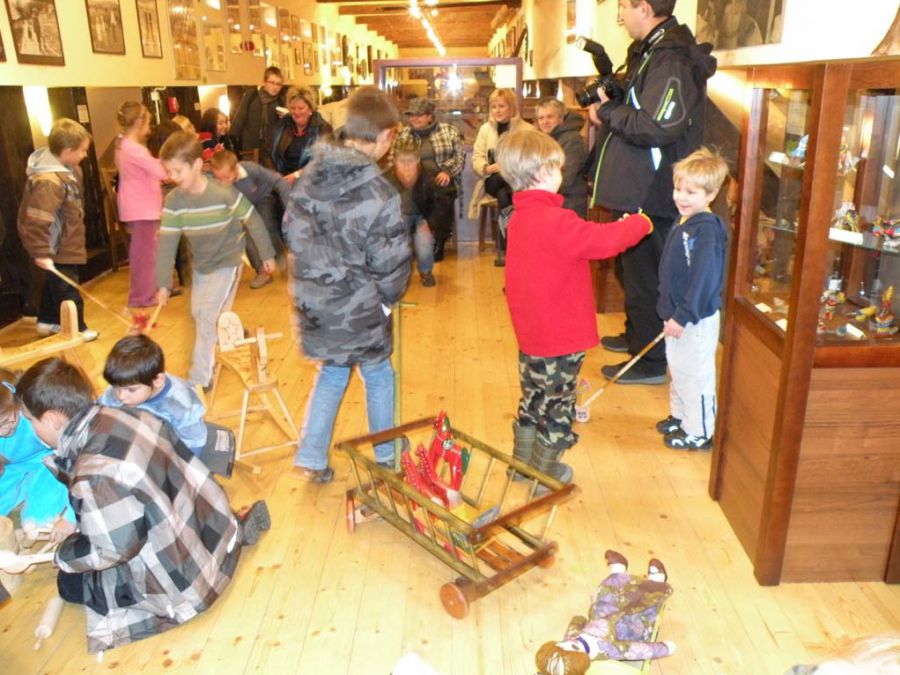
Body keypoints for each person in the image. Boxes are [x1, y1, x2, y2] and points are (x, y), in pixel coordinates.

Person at [15, 357, 270, 654]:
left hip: (185, 581)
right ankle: (230, 538)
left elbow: (113, 549)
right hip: (211, 528)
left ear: (51, 419)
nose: (31, 429)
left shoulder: (93, 471)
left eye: (30, 421)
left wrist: (63, 554)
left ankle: (185, 587)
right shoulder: (127, 415)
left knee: (68, 584)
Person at [498, 128, 652, 485]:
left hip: (532, 334)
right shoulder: (557, 220)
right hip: (560, 336)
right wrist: (639, 223)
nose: (561, 174)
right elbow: (603, 242)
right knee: (559, 406)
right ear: (542, 173)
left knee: (534, 398)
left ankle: (522, 467)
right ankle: (546, 475)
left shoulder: (519, 217)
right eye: (557, 168)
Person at [284, 86, 411, 483]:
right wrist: (387, 301)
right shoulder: (380, 192)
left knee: (332, 373)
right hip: (361, 307)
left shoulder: (308, 177)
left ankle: (311, 455)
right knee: (379, 374)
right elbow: (391, 263)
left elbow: (290, 233)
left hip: (314, 302)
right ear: (386, 136)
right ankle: (386, 454)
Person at [587, 0, 716, 384]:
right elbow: (645, 107)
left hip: (655, 190)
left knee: (647, 276)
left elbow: (657, 126)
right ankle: (637, 337)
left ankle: (651, 361)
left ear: (644, 7)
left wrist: (607, 112)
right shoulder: (652, 51)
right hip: (640, 187)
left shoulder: (671, 57)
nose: (620, 16)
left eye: (623, 7)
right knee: (633, 270)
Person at [155, 131, 276, 388]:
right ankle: (230, 333)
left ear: (198, 165)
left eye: (178, 171)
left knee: (207, 316)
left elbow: (253, 219)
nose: (172, 177)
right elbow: (167, 242)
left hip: (228, 261)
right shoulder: (174, 201)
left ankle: (200, 379)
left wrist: (266, 254)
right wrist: (163, 282)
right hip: (202, 265)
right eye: (169, 171)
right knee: (199, 313)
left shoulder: (223, 193)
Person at [655, 148, 727, 451]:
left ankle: (700, 431)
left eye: (691, 192)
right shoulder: (686, 220)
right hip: (676, 315)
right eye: (678, 189)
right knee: (678, 369)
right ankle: (682, 417)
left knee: (695, 374)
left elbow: (704, 280)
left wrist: (683, 315)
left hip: (693, 318)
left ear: (711, 194)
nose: (681, 197)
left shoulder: (706, 231)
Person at [17, 118, 99, 342]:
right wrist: (41, 252)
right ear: (67, 151)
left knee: (54, 282)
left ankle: (47, 320)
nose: (85, 155)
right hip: (56, 243)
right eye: (82, 150)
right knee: (67, 288)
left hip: (66, 239)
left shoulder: (70, 169)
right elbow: (37, 220)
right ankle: (78, 328)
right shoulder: (48, 182)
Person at [0, 367, 73, 537]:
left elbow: (76, 460)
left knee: (37, 520)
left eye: (7, 419)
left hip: (49, 460)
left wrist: (70, 516)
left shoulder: (34, 414)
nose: (4, 429)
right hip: (13, 468)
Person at [393, 98, 465, 262]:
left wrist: (448, 171)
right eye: (411, 115)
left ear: (429, 116)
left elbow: (460, 157)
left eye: (419, 115)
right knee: (410, 196)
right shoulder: (403, 135)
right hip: (414, 181)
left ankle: (438, 242)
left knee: (443, 195)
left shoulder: (449, 131)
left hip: (440, 178)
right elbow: (393, 160)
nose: (414, 119)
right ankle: (414, 240)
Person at [210, 149, 291, 289]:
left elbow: (278, 180)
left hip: (262, 199)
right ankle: (262, 271)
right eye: (219, 178)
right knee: (246, 236)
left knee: (267, 227)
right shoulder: (215, 181)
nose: (223, 183)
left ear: (236, 169)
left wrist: (290, 207)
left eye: (227, 177)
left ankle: (281, 259)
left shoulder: (251, 169)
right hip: (242, 207)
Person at [115, 101, 168, 309]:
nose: (149, 126)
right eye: (147, 121)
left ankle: (145, 293)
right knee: (145, 254)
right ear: (138, 122)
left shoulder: (123, 144)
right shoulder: (134, 149)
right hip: (141, 207)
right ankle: (142, 296)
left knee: (144, 252)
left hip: (140, 205)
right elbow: (160, 172)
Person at [468, 89, 528, 266]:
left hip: (516, 181)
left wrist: (510, 166)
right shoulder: (485, 129)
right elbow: (477, 157)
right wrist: (486, 168)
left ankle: (506, 247)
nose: (497, 110)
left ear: (511, 107)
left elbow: (531, 157)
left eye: (501, 106)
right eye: (494, 107)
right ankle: (513, 245)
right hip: (492, 180)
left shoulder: (526, 129)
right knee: (499, 184)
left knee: (504, 194)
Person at [387, 142, 436, 287]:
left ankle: (426, 272)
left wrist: (430, 222)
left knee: (424, 239)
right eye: (402, 161)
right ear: (395, 162)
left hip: (422, 217)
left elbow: (438, 203)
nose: (406, 165)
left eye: (411, 161)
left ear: (418, 161)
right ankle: (396, 274)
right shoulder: (387, 179)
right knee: (395, 240)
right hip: (398, 218)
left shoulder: (428, 177)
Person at [534, 97, 589, 217]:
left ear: (561, 118)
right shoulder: (547, 139)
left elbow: (566, 178)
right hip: (554, 201)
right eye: (541, 118)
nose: (545, 121)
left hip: (570, 204)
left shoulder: (572, 140)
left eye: (549, 117)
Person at [271, 86, 333, 179]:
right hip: (281, 179)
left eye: (301, 108)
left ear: (310, 108)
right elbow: (267, 152)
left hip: (310, 180)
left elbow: (325, 161)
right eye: (293, 108)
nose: (296, 112)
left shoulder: (323, 129)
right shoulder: (282, 125)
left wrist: (297, 175)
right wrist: (274, 175)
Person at [231, 66, 285, 169]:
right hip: (250, 149)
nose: (275, 87)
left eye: (279, 84)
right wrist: (232, 145)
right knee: (251, 176)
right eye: (272, 83)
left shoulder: (281, 101)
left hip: (271, 151)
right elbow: (239, 118)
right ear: (264, 82)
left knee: (271, 177)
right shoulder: (252, 96)